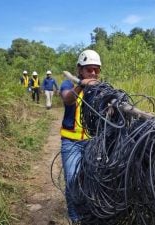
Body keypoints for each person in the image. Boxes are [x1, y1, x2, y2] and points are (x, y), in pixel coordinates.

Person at [59, 49, 102, 224]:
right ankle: (75, 216)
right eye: (88, 69)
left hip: (92, 142)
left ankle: (87, 212)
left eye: (96, 69)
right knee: (73, 180)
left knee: (91, 178)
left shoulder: (100, 89)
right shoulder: (68, 84)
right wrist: (82, 85)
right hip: (71, 142)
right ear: (80, 69)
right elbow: (68, 99)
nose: (92, 73)